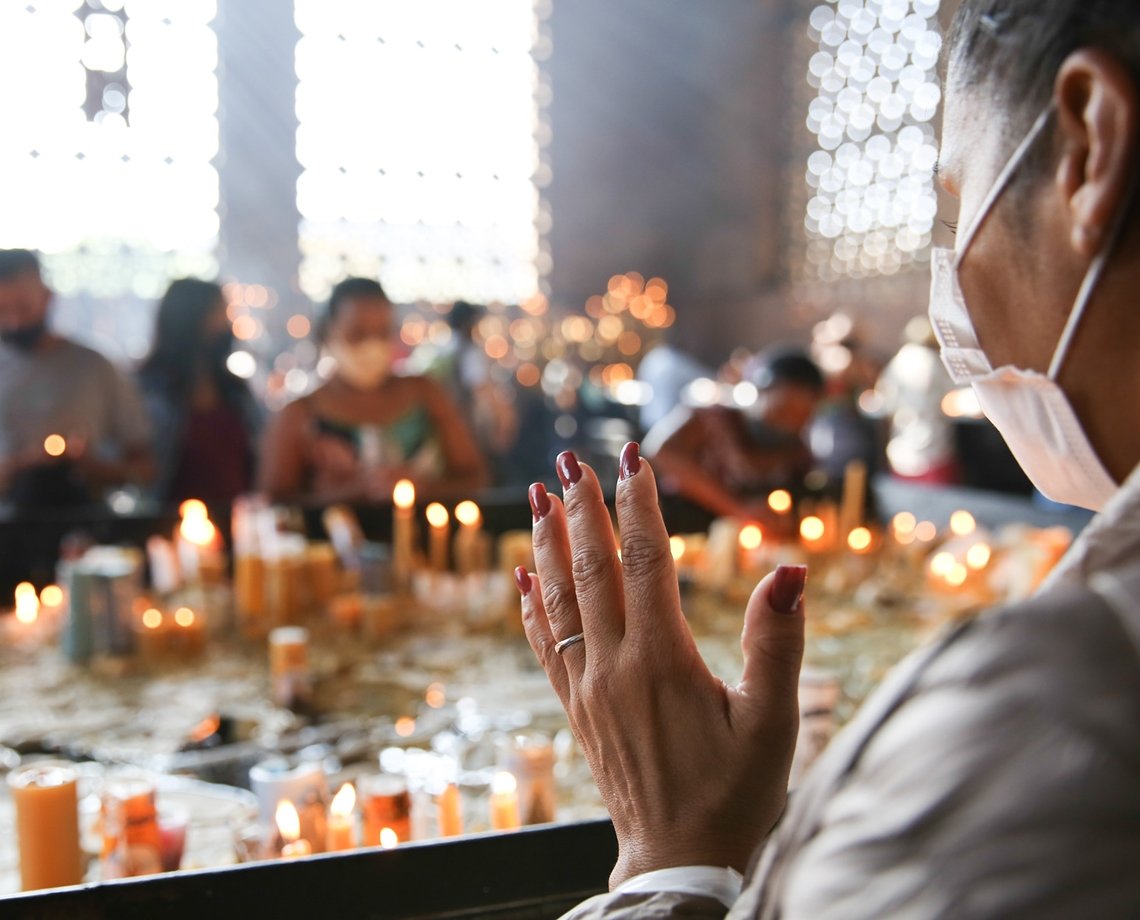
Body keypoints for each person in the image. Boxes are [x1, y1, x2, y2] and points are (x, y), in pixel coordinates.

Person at [515, 2, 1140, 916]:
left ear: (1088, 148)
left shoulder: (1053, 717)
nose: (951, 268)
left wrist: (672, 852)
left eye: (958, 198)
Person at [259, 277, 486, 502]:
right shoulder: (299, 414)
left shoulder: (426, 393)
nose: (372, 345)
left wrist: (423, 487)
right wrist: (342, 494)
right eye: (358, 333)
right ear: (327, 332)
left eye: (382, 333)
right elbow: (272, 503)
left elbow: (476, 478)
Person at [0, 249, 152, 507]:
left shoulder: (94, 368)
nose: (13, 321)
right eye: (2, 309)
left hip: (85, 524)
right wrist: (15, 468)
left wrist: (92, 468)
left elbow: (145, 467)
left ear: (48, 298)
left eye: (23, 308)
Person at [643, 347, 823, 520]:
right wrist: (738, 510)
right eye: (784, 411)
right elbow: (660, 453)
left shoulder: (797, 452)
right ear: (761, 391)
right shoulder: (712, 419)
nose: (790, 424)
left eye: (802, 416)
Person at [137, 278, 260, 506]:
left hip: (237, 522)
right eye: (218, 312)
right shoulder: (148, 390)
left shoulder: (235, 390)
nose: (227, 324)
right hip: (168, 522)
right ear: (191, 319)